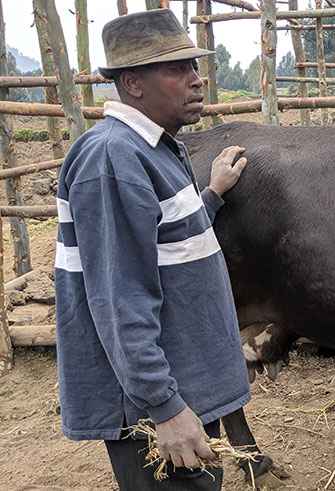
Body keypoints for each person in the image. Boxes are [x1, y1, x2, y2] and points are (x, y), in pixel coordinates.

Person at [54, 9, 250, 490]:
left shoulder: (153, 148)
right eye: (176, 69)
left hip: (181, 386)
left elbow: (163, 242)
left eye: (194, 66)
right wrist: (164, 407)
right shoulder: (113, 159)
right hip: (154, 410)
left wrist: (212, 195)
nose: (196, 80)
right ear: (133, 84)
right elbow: (118, 300)